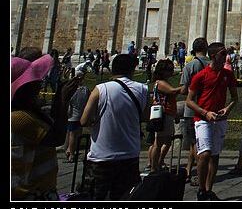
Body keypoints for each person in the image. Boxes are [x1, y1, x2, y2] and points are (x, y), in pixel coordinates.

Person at [79, 53, 149, 199]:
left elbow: (84, 121)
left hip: (102, 156)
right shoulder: (143, 89)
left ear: (112, 70)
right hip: (129, 154)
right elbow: (145, 117)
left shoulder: (100, 89)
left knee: (95, 197)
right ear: (133, 69)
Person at [186, 41, 239, 201]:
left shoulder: (228, 74)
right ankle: (201, 190)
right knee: (205, 154)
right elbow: (189, 100)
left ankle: (209, 189)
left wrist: (227, 108)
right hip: (202, 119)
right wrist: (205, 112)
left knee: (215, 155)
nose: (226, 57)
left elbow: (235, 98)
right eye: (223, 54)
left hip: (220, 119)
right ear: (214, 56)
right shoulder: (200, 76)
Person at [12, 54, 62, 200]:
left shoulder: (26, 113)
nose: (40, 84)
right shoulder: (20, 118)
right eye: (34, 82)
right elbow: (57, 137)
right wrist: (62, 101)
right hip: (30, 193)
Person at [179, 37, 209, 186]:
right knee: (199, 144)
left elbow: (184, 90)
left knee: (195, 144)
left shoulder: (189, 66)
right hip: (208, 108)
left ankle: (199, 175)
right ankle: (189, 170)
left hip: (192, 109)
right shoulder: (212, 66)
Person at [147, 58, 180, 172]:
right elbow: (172, 91)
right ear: (163, 71)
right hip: (164, 114)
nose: (171, 72)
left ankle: (154, 164)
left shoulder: (160, 82)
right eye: (169, 70)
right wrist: (185, 87)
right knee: (159, 142)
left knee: (160, 142)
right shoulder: (160, 82)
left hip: (164, 114)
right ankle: (154, 166)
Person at [63, 64, 90, 162]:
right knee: (77, 134)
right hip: (82, 115)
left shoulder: (72, 90)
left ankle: (71, 153)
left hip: (72, 116)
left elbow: (67, 102)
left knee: (72, 135)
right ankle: (70, 150)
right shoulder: (86, 90)